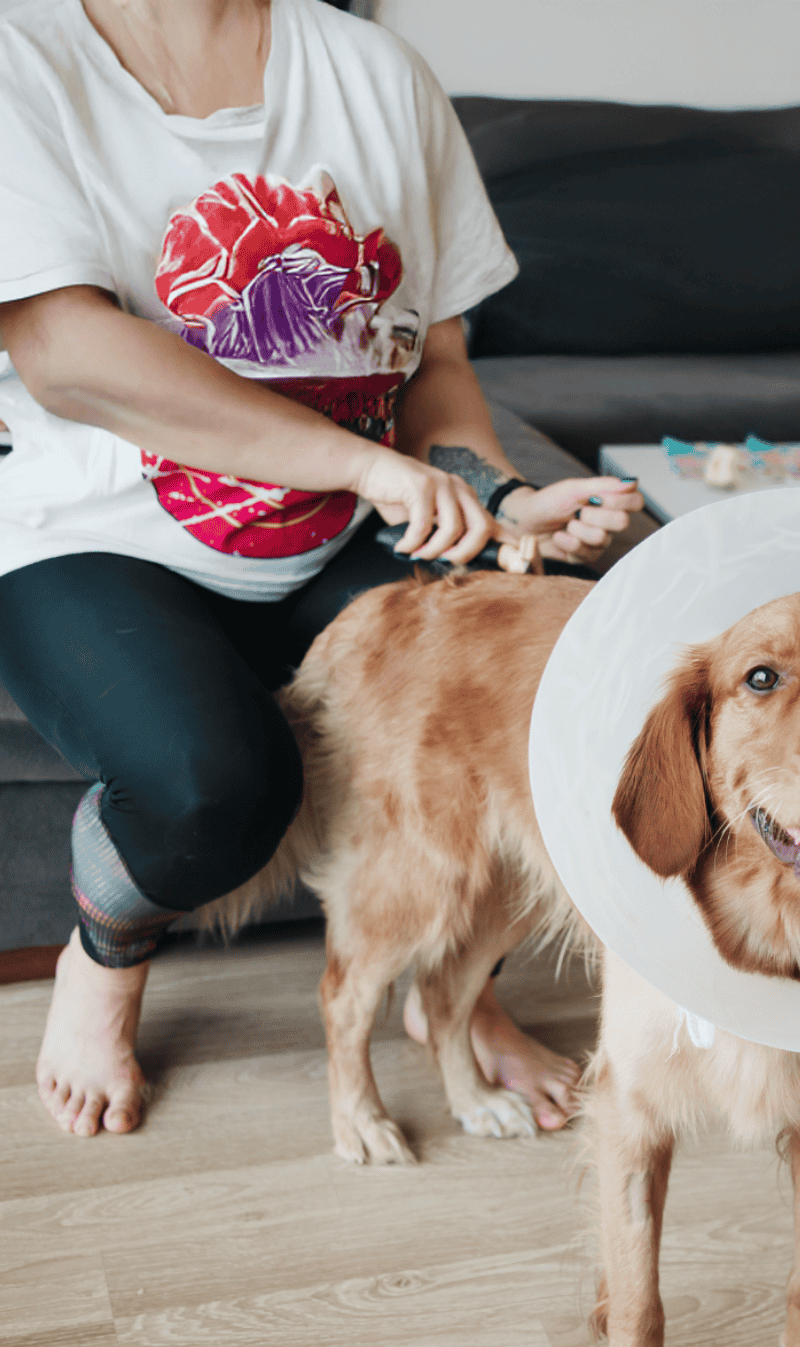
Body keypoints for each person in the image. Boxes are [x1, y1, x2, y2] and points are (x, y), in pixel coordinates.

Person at [0, 0, 642, 1139]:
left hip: (338, 524)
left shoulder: (377, 72)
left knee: (549, 693)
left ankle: (455, 994)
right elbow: (62, 351)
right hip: (87, 533)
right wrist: (364, 465)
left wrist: (497, 498)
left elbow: (435, 363)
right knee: (215, 786)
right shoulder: (22, 50)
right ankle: (105, 953)